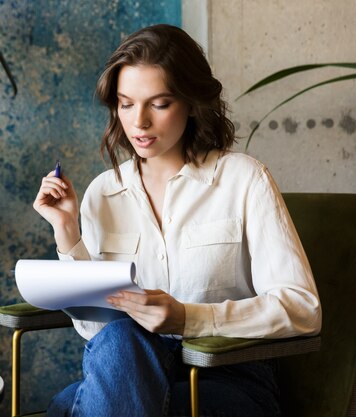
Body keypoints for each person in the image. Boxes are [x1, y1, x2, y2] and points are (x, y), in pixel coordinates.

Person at [32, 24, 321, 417]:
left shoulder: (244, 179)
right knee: (118, 339)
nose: (139, 123)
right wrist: (66, 232)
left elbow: (302, 308)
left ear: (191, 101)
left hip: (226, 375)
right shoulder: (103, 192)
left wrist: (190, 318)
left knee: (67, 408)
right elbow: (96, 333)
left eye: (160, 104)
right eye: (126, 103)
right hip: (128, 372)